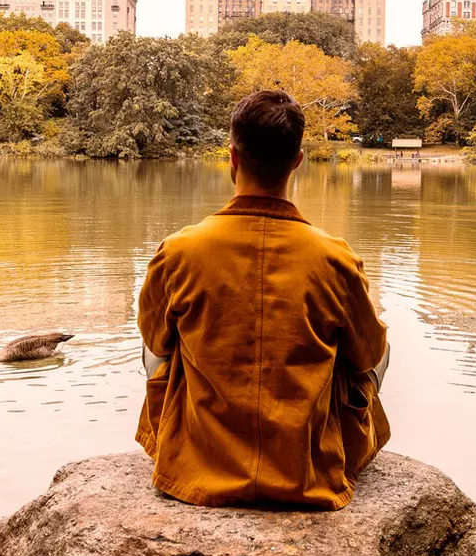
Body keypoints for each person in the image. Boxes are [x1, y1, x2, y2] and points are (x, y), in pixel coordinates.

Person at [135, 88, 391, 509]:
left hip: (197, 468)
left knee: (155, 343)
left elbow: (157, 344)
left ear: (232, 158)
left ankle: (189, 447)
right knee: (379, 345)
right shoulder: (336, 257)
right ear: (297, 161)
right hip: (305, 471)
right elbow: (367, 358)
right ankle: (321, 451)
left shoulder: (178, 251)